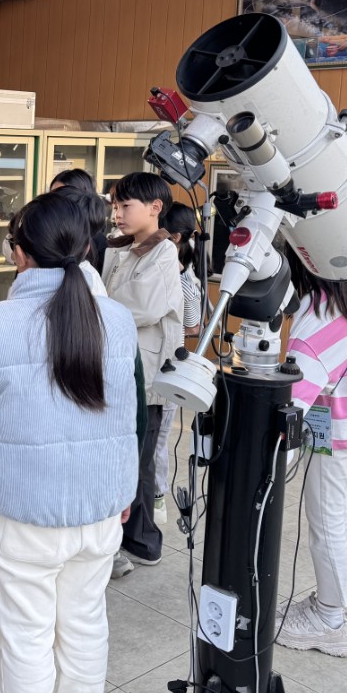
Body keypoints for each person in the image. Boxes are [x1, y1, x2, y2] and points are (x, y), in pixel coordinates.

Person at [0, 192, 139, 693]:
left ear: (20, 254)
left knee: (27, 638)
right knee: (84, 627)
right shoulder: (118, 321)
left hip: (22, 511)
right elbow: (133, 416)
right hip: (100, 508)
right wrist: (126, 490)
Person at [275, 243, 347, 658]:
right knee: (330, 515)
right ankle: (331, 605)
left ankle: (330, 621)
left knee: (327, 518)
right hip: (338, 421)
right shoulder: (346, 299)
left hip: (330, 429)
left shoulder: (317, 317)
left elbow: (290, 403)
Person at [100, 172, 182, 578]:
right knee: (127, 455)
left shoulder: (164, 253)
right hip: (119, 365)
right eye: (115, 206)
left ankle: (143, 541)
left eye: (125, 206)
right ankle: (129, 538)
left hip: (146, 374)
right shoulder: (119, 249)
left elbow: (140, 306)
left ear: (155, 208)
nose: (117, 214)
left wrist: (96, 302)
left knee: (140, 460)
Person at [151, 202, 204, 526]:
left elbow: (194, 326)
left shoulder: (186, 281)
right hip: (151, 362)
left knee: (158, 440)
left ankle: (157, 500)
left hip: (168, 366)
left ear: (177, 237)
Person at [48, 167, 109, 274]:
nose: (55, 203)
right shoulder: (52, 233)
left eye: (64, 195)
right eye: (52, 196)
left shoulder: (99, 244)